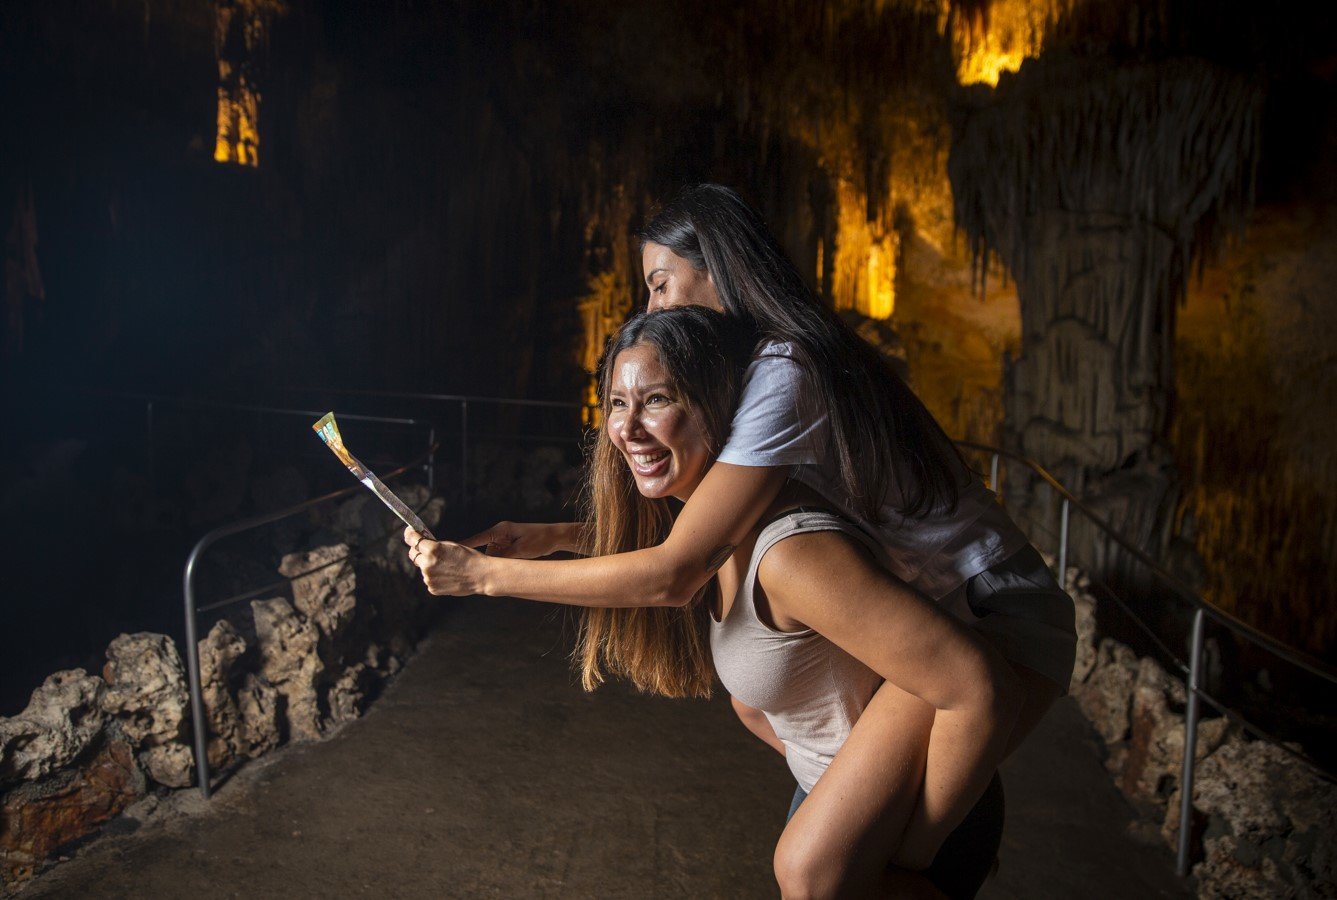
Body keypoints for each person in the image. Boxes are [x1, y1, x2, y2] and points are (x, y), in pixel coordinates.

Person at [408, 183, 1076, 887]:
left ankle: (930, 859)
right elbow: (705, 523)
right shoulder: (778, 361)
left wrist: (483, 576)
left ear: (719, 267)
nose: (653, 308)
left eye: (661, 285)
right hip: (942, 599)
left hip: (992, 602)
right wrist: (550, 536)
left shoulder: (781, 373)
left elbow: (678, 567)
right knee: (759, 715)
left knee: (828, 865)